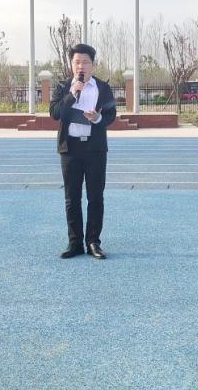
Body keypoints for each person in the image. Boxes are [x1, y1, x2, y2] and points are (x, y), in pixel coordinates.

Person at [48, 43, 117, 260]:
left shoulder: (102, 88)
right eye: (77, 62)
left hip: (95, 149)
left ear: (92, 65)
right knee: (72, 198)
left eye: (85, 62)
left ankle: (93, 242)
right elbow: (55, 113)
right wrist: (71, 94)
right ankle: (75, 243)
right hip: (70, 149)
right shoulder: (63, 87)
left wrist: (97, 118)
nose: (81, 66)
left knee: (95, 197)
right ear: (71, 64)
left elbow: (111, 115)